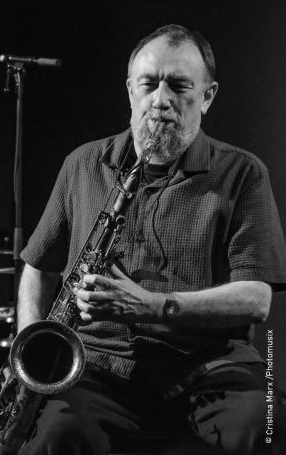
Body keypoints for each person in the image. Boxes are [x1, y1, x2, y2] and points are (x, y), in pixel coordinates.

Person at [16, 24, 286, 455]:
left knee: (268, 427)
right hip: (97, 367)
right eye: (148, 85)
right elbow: (38, 265)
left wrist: (148, 305)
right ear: (130, 90)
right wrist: (30, 350)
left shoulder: (244, 173)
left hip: (210, 366)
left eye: (178, 86)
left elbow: (256, 299)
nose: (160, 101)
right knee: (54, 438)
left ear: (208, 96)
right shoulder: (83, 164)